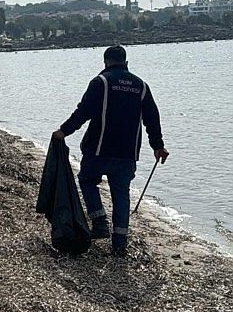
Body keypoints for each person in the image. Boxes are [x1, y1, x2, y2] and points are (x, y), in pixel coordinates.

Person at [52, 45, 169, 256]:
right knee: (121, 194)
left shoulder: (101, 82)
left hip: (98, 150)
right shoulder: (141, 86)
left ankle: (99, 222)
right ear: (126, 62)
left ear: (105, 62)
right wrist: (158, 146)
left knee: (87, 180)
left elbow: (83, 111)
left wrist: (64, 131)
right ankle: (119, 245)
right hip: (126, 154)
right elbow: (152, 118)